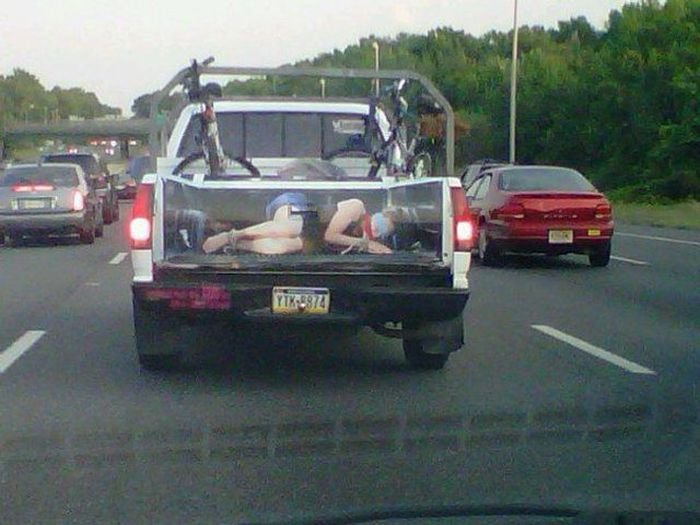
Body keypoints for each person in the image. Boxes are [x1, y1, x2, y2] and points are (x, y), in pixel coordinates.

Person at [202, 192, 309, 255]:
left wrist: (231, 237)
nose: (217, 226)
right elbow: (287, 244)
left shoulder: (286, 198)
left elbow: (288, 228)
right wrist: (233, 242)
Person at [324, 198, 398, 254]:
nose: (375, 232)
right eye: (378, 225)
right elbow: (330, 236)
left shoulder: (364, 236)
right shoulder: (356, 206)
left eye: (381, 233)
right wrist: (366, 243)